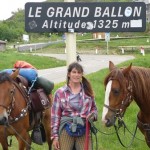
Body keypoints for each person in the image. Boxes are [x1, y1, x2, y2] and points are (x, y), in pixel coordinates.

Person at [51, 62, 98, 150]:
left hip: (83, 127)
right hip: (66, 127)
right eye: (74, 72)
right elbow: (55, 117)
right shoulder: (60, 92)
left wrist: (92, 116)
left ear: (81, 74)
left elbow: (94, 109)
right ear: (69, 74)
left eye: (79, 72)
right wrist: (55, 137)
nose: (76, 75)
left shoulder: (88, 91)